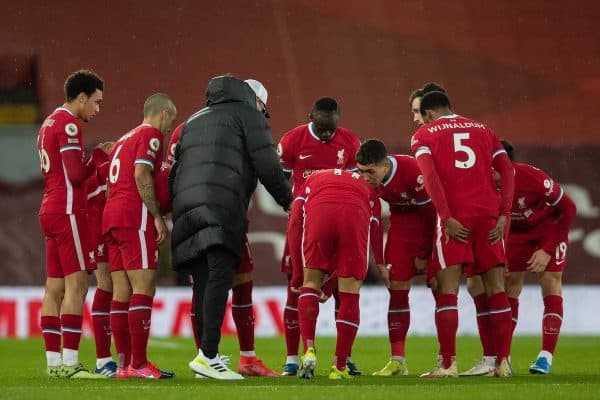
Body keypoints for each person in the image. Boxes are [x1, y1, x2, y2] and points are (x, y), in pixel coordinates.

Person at [170, 75, 292, 380]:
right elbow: (267, 164)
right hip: (221, 204)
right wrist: (288, 200)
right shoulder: (248, 115)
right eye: (263, 106)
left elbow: (176, 169)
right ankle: (209, 356)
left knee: (201, 282)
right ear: (256, 100)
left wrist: (179, 204)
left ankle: (204, 356)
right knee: (220, 277)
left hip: (185, 208)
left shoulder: (193, 120)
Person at [411, 91, 515, 378]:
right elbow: (507, 170)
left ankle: (448, 364)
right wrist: (504, 213)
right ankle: (503, 362)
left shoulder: (424, 135)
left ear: (430, 113)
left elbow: (430, 178)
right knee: (495, 288)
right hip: (488, 216)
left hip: (456, 216)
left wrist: (446, 216)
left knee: (448, 290)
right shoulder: (484, 129)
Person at [277, 97, 362, 376]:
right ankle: (292, 357)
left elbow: (354, 183)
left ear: (339, 119)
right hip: (303, 218)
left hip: (332, 216)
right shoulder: (292, 140)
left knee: (341, 288)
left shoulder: (350, 143)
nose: (327, 134)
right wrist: (289, 205)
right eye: (321, 128)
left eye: (331, 129)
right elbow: (279, 178)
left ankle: (344, 356)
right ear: (310, 116)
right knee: (296, 284)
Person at [37, 69, 107, 378]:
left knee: (53, 288)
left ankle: (53, 365)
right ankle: (70, 364)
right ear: (81, 97)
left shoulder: (47, 122)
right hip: (67, 210)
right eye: (95, 101)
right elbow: (77, 176)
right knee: (77, 286)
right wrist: (98, 156)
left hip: (48, 208)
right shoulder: (69, 124)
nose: (97, 109)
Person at [103, 93, 177, 379]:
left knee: (121, 292)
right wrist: (157, 216)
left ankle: (123, 364)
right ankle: (140, 363)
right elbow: (141, 174)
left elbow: (112, 182)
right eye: (171, 118)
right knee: (144, 287)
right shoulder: (151, 136)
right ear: (163, 114)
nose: (170, 127)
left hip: (112, 216)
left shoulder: (123, 139)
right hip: (134, 216)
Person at [287, 168, 384, 380]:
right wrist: (381, 263)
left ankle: (309, 349)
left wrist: (297, 274)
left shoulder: (311, 179)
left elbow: (295, 222)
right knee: (350, 293)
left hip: (319, 213)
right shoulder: (368, 188)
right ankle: (339, 366)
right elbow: (374, 227)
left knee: (310, 284)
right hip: (355, 216)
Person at [355, 139, 436, 377]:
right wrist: (379, 262)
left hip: (429, 225)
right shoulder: (368, 180)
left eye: (370, 172)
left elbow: (430, 215)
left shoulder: (412, 170)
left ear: (384, 165)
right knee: (397, 289)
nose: (366, 177)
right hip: (400, 226)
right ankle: (398, 361)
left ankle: (446, 360)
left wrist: (424, 254)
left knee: (440, 286)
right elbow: (376, 222)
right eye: (361, 171)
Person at [500, 140, 577, 375]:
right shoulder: (483, 182)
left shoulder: (532, 178)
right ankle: (504, 358)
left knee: (551, 280)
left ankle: (545, 356)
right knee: (509, 284)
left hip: (548, 230)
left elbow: (569, 208)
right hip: (515, 235)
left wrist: (547, 249)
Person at [86, 152, 118, 377]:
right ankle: (103, 360)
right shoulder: (101, 168)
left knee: (111, 288)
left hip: (104, 229)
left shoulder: (97, 169)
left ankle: (112, 359)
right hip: (99, 232)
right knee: (106, 286)